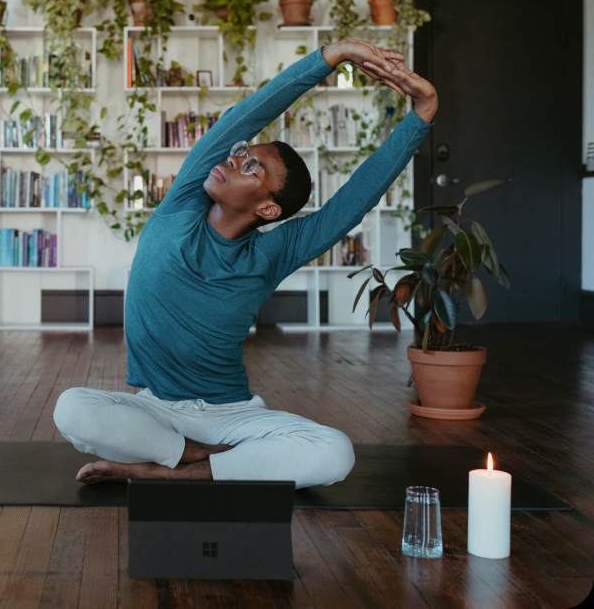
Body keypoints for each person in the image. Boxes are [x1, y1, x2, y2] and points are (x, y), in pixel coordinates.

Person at [53, 41, 437, 488]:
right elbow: (249, 114)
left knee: (335, 452)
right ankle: (196, 459)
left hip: (229, 417)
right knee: (72, 408)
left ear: (270, 210)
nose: (234, 159)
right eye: (241, 153)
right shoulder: (181, 205)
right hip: (154, 408)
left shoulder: (271, 254)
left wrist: (422, 112)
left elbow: (351, 204)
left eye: (251, 167)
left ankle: (173, 472)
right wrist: (333, 55)